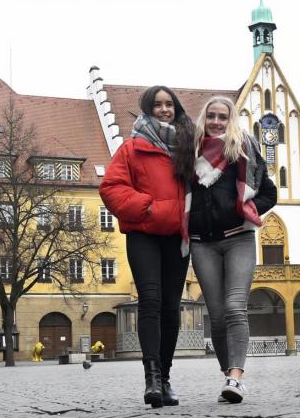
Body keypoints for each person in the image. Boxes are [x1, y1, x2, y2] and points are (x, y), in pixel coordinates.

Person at [99, 85, 195, 408]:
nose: (165, 109)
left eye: (169, 104)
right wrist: (148, 207)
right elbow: (110, 187)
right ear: (148, 109)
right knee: (150, 301)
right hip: (143, 234)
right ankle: (151, 378)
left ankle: (165, 377)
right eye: (158, 105)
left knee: (171, 307)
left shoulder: (187, 147)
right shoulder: (132, 148)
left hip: (175, 237)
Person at [188, 96, 276, 404]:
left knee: (235, 306)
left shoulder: (244, 148)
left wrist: (248, 209)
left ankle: (236, 377)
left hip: (239, 238)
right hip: (202, 243)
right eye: (211, 116)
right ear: (204, 118)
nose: (215, 121)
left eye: (222, 117)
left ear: (231, 119)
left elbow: (270, 192)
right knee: (217, 315)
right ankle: (229, 376)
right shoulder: (191, 152)